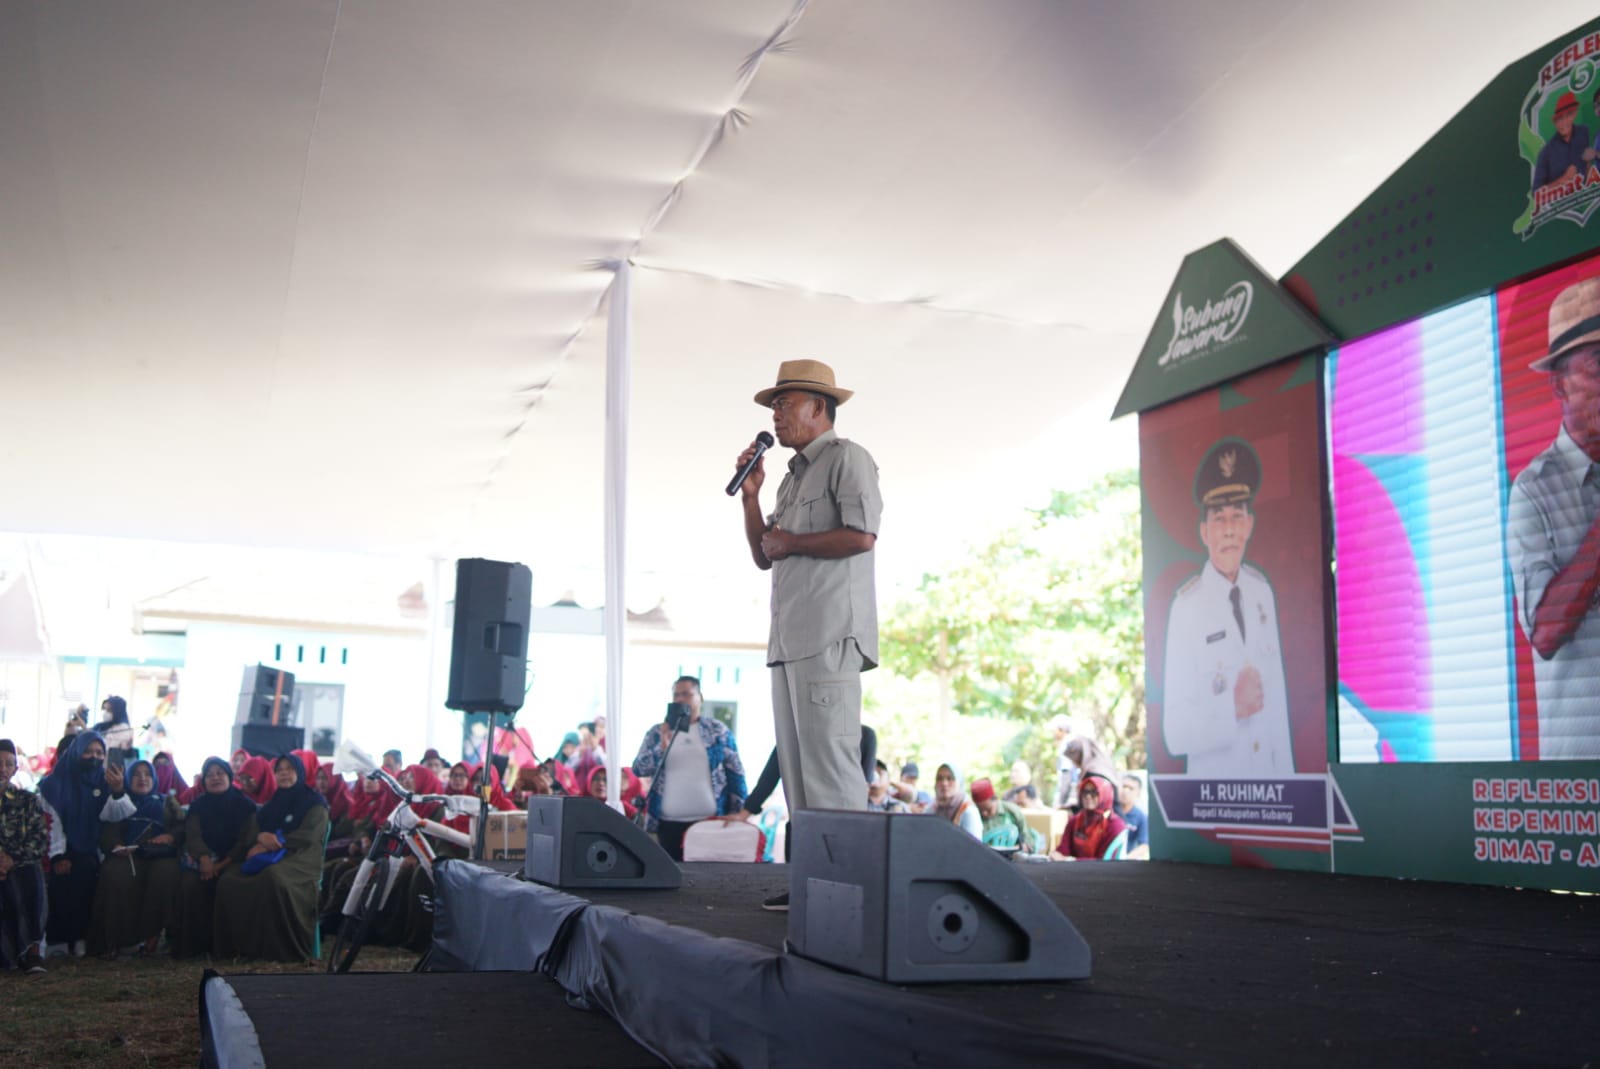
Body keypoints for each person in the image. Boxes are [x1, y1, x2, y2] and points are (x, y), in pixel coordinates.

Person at [736, 359, 881, 909]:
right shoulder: (793, 476)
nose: (775, 414)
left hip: (828, 634)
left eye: (783, 402)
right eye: (773, 405)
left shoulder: (849, 459)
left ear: (818, 407)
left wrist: (792, 542)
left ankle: (854, 888)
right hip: (789, 639)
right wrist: (752, 496)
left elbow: (863, 536)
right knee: (798, 774)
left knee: (832, 770)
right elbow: (764, 553)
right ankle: (816, 883)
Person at [1161, 437, 1294, 777]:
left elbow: (1277, 705)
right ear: (1204, 532)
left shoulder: (1262, 592)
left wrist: (1288, 784)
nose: (1229, 530)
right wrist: (1231, 709)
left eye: (1237, 516)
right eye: (1219, 518)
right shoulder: (1186, 608)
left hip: (1270, 790)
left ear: (1250, 525)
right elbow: (1174, 734)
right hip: (1217, 799)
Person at [1507, 276, 1600, 759]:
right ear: (1558, 383)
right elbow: (1543, 632)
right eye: (1598, 364)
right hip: (1582, 786)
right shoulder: (1533, 490)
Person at [214, 753, 329, 961]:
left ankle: (277, 950)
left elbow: (310, 835)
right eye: (279, 770)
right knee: (229, 879)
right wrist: (260, 837)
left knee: (272, 877)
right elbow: (253, 831)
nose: (284, 774)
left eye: (289, 769)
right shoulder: (272, 804)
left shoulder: (314, 802)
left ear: (300, 772)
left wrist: (275, 841)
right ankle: (238, 947)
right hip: (271, 855)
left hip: (301, 858)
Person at [632, 676, 746, 862]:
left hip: (710, 822)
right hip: (667, 823)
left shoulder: (718, 731)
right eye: (676, 695)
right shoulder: (657, 732)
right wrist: (660, 748)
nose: (680, 699)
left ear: (699, 697)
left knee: (708, 880)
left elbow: (736, 772)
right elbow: (638, 769)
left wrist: (740, 810)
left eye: (686, 694)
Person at [89, 759, 180, 956]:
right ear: (128, 778)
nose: (142, 778)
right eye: (137, 774)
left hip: (159, 855)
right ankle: (117, 940)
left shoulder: (166, 802)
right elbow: (109, 829)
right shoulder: (118, 801)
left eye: (147, 774)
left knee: (166, 874)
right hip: (128, 855)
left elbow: (182, 826)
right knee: (115, 873)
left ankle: (155, 937)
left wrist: (171, 836)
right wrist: (116, 845)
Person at [172, 757, 256, 958]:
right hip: (204, 862)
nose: (215, 778)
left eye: (220, 773)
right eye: (209, 775)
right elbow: (193, 835)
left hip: (234, 861)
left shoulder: (245, 806)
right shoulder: (198, 806)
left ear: (229, 776)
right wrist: (204, 859)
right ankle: (191, 948)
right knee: (190, 884)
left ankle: (225, 949)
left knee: (228, 883)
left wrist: (221, 865)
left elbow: (245, 841)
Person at [38, 730, 109, 956]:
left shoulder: (105, 782)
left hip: (93, 847)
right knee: (66, 873)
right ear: (76, 752)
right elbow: (51, 823)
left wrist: (117, 790)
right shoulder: (52, 785)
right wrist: (59, 855)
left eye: (99, 752)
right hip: (60, 847)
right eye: (87, 751)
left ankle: (81, 938)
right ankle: (59, 940)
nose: (94, 757)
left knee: (88, 870)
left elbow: (110, 820)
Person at [0, 739, 49, 973]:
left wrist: (11, 859)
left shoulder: (27, 801)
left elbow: (39, 840)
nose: (2, 769)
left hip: (18, 865)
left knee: (31, 875)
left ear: (15, 769)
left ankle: (32, 953)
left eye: (8, 764)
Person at [1052, 774, 1127, 861]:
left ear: (1104, 794)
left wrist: (1070, 860)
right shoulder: (1075, 820)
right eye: (1085, 792)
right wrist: (1056, 855)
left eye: (1094, 792)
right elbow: (1063, 850)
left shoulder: (1114, 824)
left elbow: (1103, 861)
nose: (1088, 796)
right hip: (1073, 871)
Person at [1533, 91, 1595, 193]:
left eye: (1568, 115)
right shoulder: (1546, 152)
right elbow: (1536, 193)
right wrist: (1563, 179)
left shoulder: (1584, 132)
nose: (1563, 123)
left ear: (1574, 113)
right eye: (1559, 118)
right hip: (1562, 205)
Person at [971, 778, 1041, 853]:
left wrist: (1017, 848)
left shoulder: (1012, 812)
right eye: (980, 810)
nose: (984, 813)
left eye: (988, 809)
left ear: (995, 799)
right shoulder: (973, 817)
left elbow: (1029, 843)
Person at [929, 763, 982, 840]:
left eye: (950, 778)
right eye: (940, 779)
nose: (944, 783)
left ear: (959, 782)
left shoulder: (968, 811)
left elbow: (974, 848)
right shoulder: (931, 809)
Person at [1115, 773, 1151, 860]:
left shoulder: (1141, 817)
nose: (1125, 791)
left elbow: (1144, 845)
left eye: (1131, 788)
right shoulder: (1109, 811)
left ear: (1138, 793)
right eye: (1123, 786)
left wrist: (1126, 859)